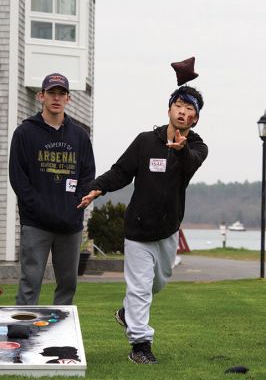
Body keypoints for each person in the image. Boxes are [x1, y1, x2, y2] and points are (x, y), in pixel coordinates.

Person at [78, 59, 208, 364]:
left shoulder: (198, 147)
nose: (183, 113)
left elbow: (191, 165)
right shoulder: (145, 141)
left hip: (167, 231)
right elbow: (121, 171)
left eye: (190, 112)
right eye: (179, 106)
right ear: (169, 109)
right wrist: (97, 187)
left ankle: (127, 313)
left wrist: (182, 149)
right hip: (137, 230)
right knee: (139, 287)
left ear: (195, 120)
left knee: (157, 283)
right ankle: (140, 345)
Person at [9, 73, 95, 305]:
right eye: (51, 93)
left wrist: (74, 207)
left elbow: (87, 176)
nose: (56, 98)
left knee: (68, 285)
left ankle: (60, 337)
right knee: (30, 283)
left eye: (61, 94)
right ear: (41, 96)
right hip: (36, 223)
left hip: (70, 224)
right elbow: (18, 178)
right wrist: (37, 207)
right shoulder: (25, 133)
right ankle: (23, 337)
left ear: (68, 99)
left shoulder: (80, 137)